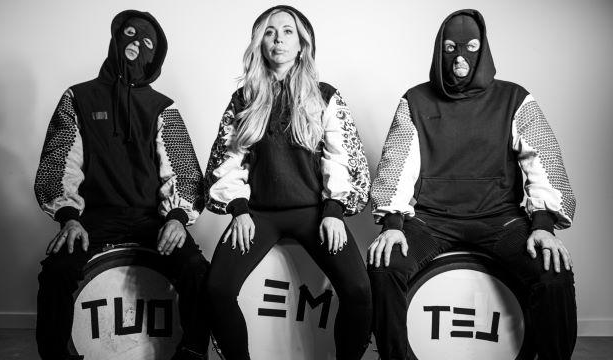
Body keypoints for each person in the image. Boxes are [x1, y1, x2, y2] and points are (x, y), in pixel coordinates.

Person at [367, 9, 577, 360]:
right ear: (439, 52)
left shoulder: (515, 99)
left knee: (552, 269)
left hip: (500, 219)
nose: (460, 58)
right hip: (431, 220)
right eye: (450, 48)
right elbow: (397, 162)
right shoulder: (415, 101)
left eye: (470, 47)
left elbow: (542, 160)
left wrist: (543, 225)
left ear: (484, 51)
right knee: (384, 265)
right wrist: (392, 224)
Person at [34, 10, 209, 360]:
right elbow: (58, 163)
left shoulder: (163, 108)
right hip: (92, 218)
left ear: (155, 55)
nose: (136, 46)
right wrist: (69, 216)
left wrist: (177, 216)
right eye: (129, 35)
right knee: (56, 272)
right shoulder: (78, 98)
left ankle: (192, 350)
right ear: (115, 39)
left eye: (147, 42)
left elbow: (185, 172)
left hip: (152, 218)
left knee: (196, 269)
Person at [204, 5, 372, 360]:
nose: (278, 38)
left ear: (301, 44)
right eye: (269, 31)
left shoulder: (324, 95)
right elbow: (229, 160)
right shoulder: (245, 99)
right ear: (259, 43)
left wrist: (334, 210)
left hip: (314, 213)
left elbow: (339, 156)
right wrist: (239, 210)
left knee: (358, 290)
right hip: (259, 215)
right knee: (217, 288)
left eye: (287, 31)